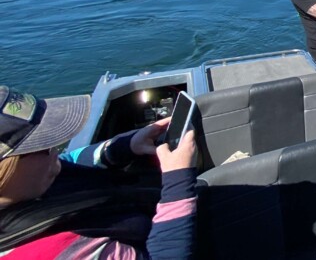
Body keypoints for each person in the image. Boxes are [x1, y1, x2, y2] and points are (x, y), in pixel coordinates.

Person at [0, 86, 197, 259]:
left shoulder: (29, 181)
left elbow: (68, 160)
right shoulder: (50, 252)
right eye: (44, 146)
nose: (55, 148)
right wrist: (178, 182)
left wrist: (124, 146)